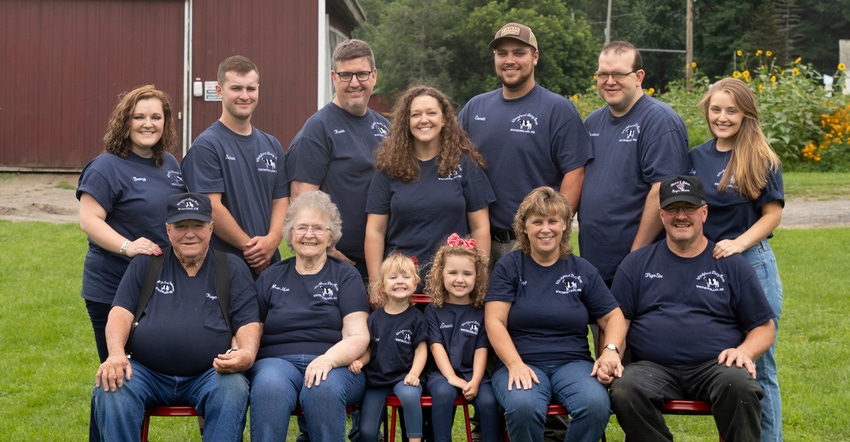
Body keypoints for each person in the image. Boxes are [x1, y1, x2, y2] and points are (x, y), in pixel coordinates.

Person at [609, 175, 775, 442]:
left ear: (704, 212)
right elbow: (619, 320)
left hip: (715, 366)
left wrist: (744, 351)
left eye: (689, 208)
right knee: (625, 388)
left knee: (740, 386)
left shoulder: (731, 263)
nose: (681, 216)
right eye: (673, 209)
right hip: (652, 367)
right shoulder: (636, 264)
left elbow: (764, 326)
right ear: (661, 215)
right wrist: (612, 352)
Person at [92, 192, 261, 442]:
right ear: (168, 230)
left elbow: (248, 321)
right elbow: (120, 313)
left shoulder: (232, 267)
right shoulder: (146, 264)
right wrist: (116, 354)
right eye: (181, 226)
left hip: (209, 374)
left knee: (233, 387)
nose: (189, 233)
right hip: (145, 373)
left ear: (211, 228)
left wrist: (246, 354)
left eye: (198, 225)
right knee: (112, 385)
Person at [77, 85, 185, 440]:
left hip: (155, 291)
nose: (148, 124)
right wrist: (127, 246)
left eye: (156, 117)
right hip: (111, 290)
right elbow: (90, 220)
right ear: (125, 121)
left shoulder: (170, 164)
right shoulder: (107, 165)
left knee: (136, 378)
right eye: (139, 116)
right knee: (114, 374)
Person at [484, 186, 628, 442]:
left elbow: (613, 316)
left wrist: (610, 350)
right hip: (521, 362)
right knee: (524, 407)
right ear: (524, 227)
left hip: (573, 364)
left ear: (564, 225)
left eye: (553, 221)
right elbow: (494, 321)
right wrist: (515, 364)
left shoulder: (581, 269)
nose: (545, 229)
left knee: (595, 405)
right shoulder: (509, 266)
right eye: (537, 222)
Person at [688, 77, 784, 442]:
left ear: (746, 115)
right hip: (710, 270)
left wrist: (737, 244)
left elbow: (772, 215)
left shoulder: (760, 157)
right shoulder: (695, 157)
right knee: (725, 363)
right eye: (716, 109)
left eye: (731, 110)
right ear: (706, 111)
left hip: (752, 265)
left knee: (760, 364)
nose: (722, 117)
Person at [458, 22, 592, 268]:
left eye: (519, 53)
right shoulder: (474, 109)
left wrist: (552, 232)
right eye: (502, 54)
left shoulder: (558, 110)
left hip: (533, 244)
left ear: (535, 57)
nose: (510, 60)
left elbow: (575, 173)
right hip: (479, 241)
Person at [248, 190, 370, 442]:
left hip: (336, 364)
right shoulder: (271, 276)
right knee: (270, 386)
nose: (309, 235)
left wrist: (328, 360)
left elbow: (358, 335)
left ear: (330, 235)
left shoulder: (346, 276)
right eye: (301, 228)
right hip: (276, 361)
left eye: (318, 228)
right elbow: (253, 326)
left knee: (322, 387)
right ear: (290, 235)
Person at [579, 40, 689, 286]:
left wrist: (635, 257)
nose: (609, 81)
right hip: (596, 260)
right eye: (603, 74)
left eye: (619, 74)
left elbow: (662, 190)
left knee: (637, 324)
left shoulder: (659, 121)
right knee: (602, 325)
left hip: (642, 264)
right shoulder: (593, 122)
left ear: (639, 76)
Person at [365, 86, 495, 285]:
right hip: (402, 285)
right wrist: (376, 284)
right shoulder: (389, 169)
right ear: (406, 122)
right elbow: (375, 230)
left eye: (431, 113)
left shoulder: (465, 165)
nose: (424, 120)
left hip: (452, 286)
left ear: (444, 120)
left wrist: (480, 277)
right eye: (416, 114)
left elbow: (480, 227)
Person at [286, 39, 390, 281]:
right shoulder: (318, 129)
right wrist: (330, 252)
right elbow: (303, 202)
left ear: (374, 75)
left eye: (362, 74)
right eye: (346, 75)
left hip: (383, 261)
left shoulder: (384, 126)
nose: (354, 83)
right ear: (334, 77)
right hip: (338, 265)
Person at [182, 55, 288, 277]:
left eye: (251, 88)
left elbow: (280, 200)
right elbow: (211, 206)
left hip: (269, 264)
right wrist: (252, 249)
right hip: (224, 267)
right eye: (236, 88)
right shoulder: (207, 145)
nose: (244, 95)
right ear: (220, 91)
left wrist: (272, 240)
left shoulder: (272, 145)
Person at [423, 234, 499, 442]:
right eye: (453, 272)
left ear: (478, 277)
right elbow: (435, 346)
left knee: (488, 400)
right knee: (444, 394)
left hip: (474, 373)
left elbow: (481, 349)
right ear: (441, 275)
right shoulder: (433, 310)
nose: (459, 279)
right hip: (441, 374)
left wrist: (474, 381)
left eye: (467, 273)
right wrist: (451, 378)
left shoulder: (481, 310)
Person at [351, 253, 428, 442]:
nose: (399, 282)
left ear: (416, 281)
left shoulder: (417, 317)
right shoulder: (374, 318)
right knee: (367, 432)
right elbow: (370, 349)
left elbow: (421, 349)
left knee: (410, 396)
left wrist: (414, 374)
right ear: (382, 284)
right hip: (377, 380)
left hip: (405, 378)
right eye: (393, 277)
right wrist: (360, 361)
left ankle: (415, 439)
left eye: (405, 277)